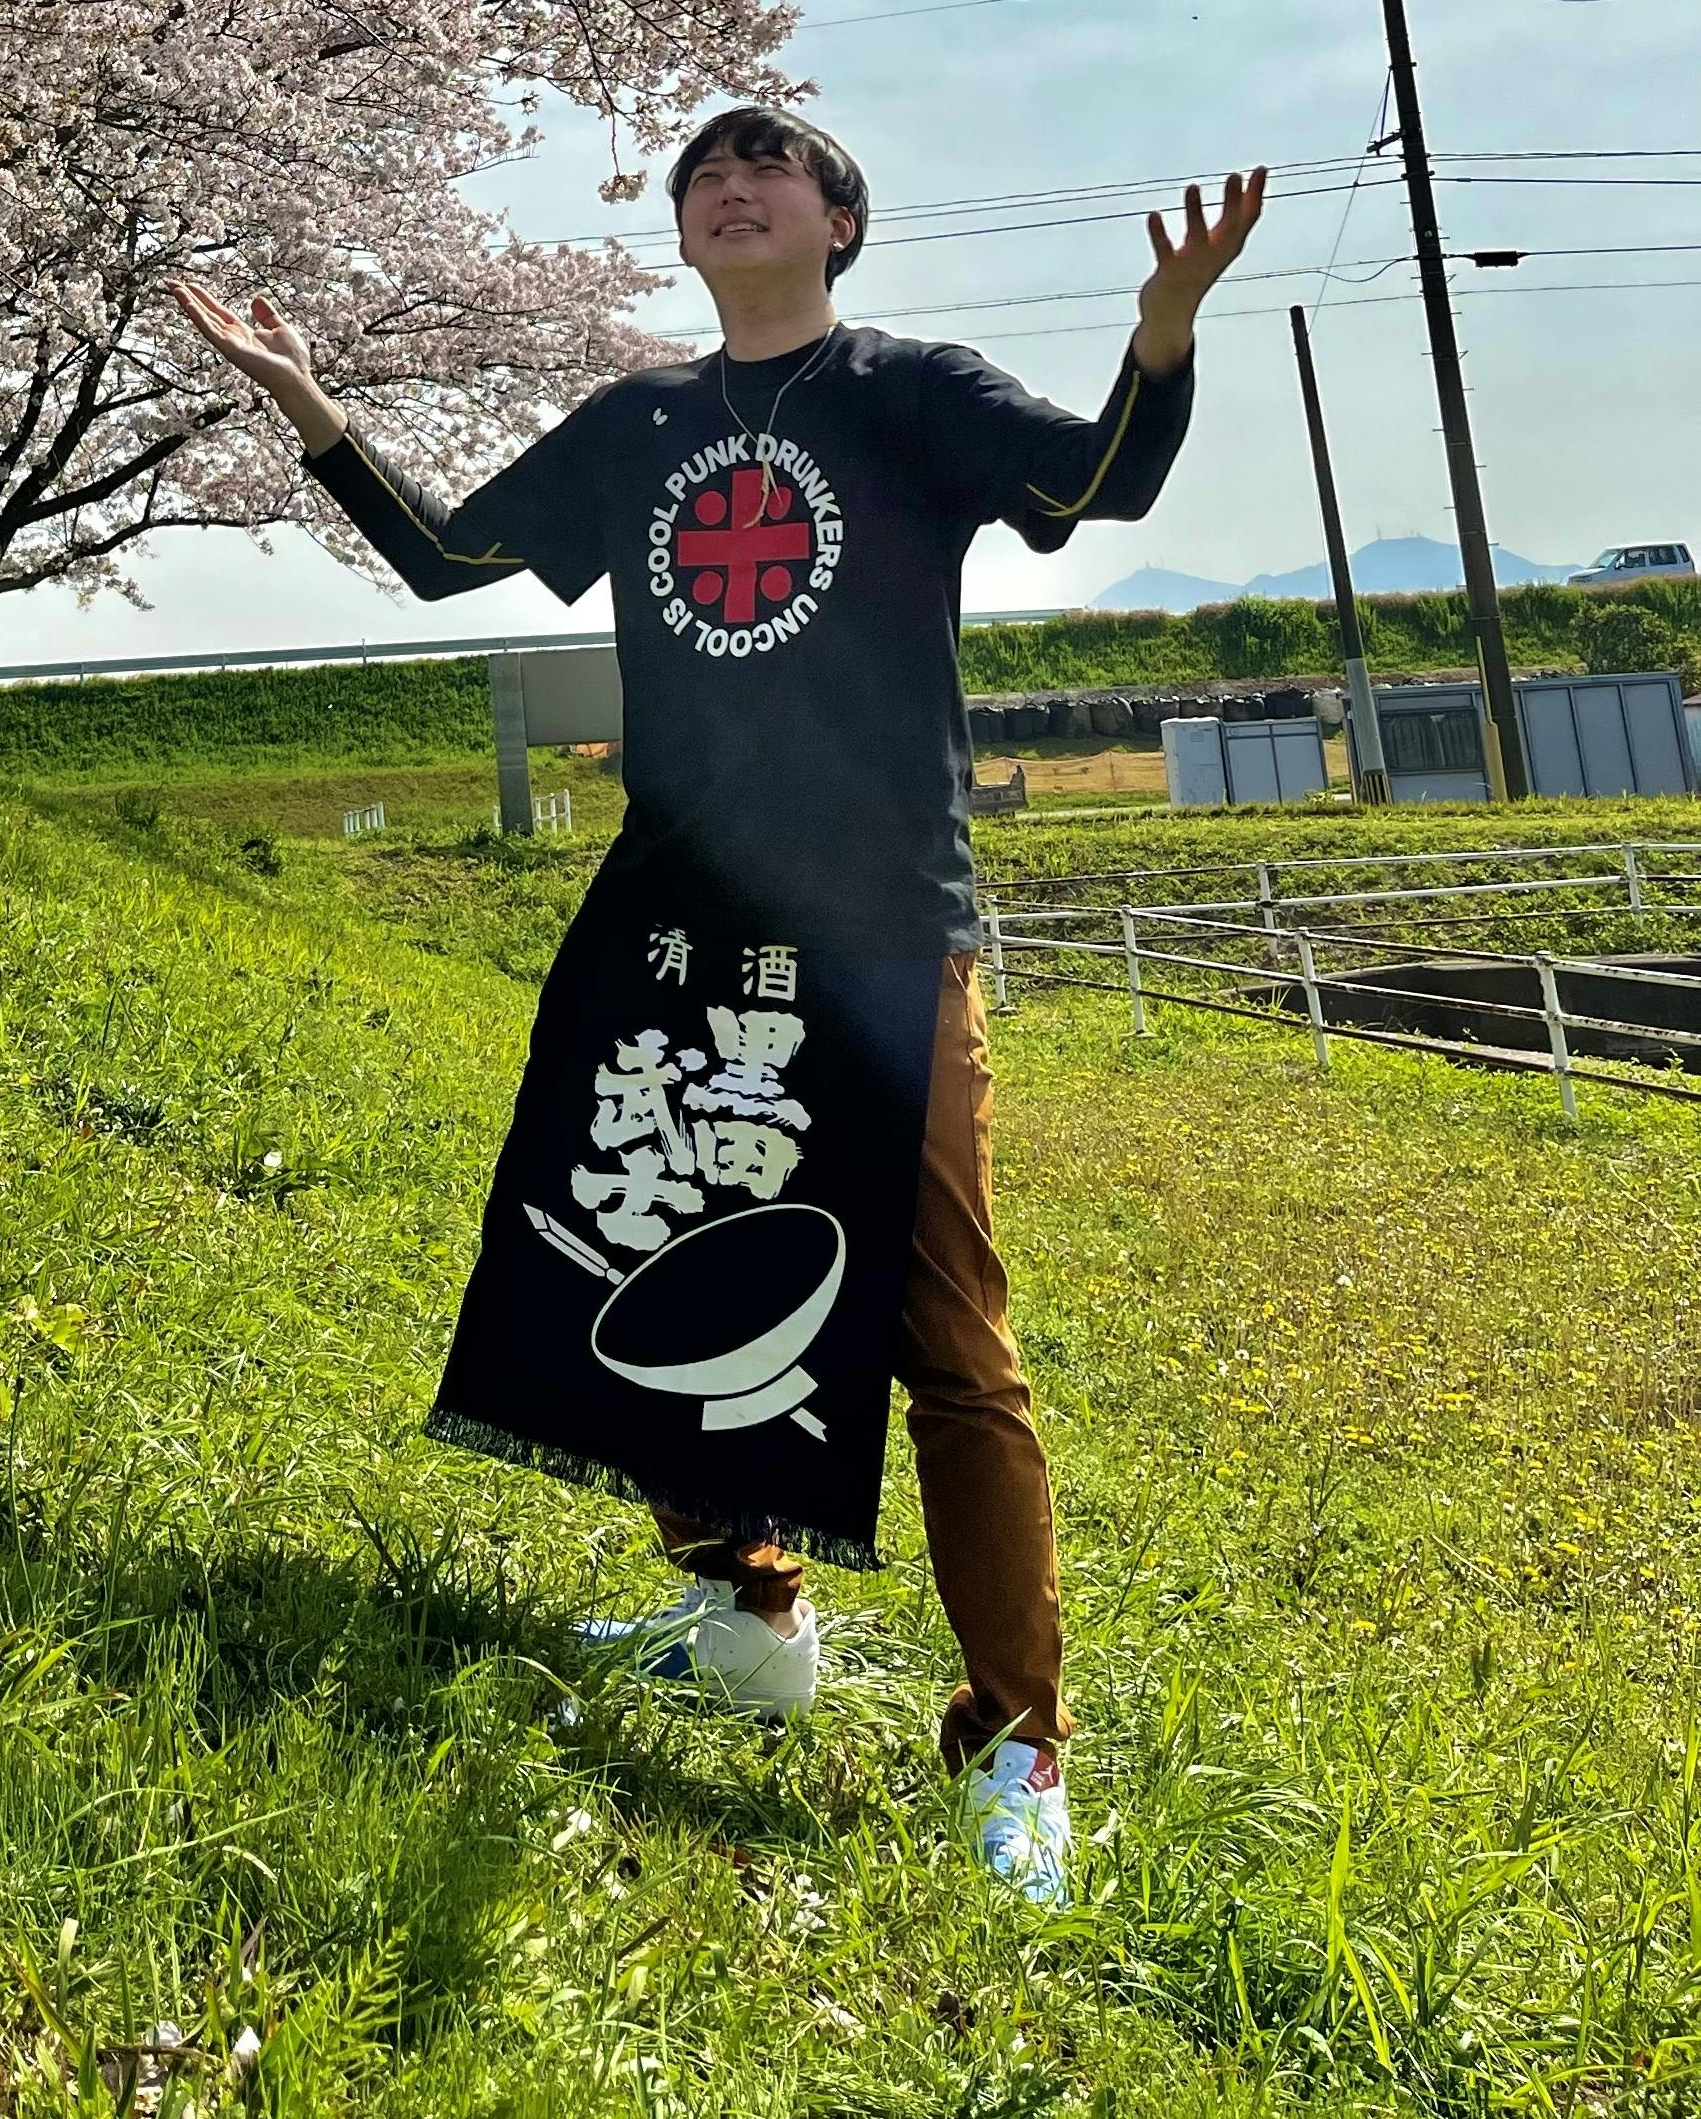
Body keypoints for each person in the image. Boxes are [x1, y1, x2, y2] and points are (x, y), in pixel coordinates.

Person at [174, 107, 1263, 1902]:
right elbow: (451, 559)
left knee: (949, 1338)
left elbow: (1093, 494)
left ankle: (1017, 1744)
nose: (731, 188)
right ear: (683, 233)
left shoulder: (910, 392)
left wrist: (1161, 341)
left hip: (882, 931)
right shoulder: (642, 425)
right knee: (642, 1261)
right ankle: (750, 1617)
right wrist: (314, 411)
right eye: (703, 176)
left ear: (841, 222)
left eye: (771, 169)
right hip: (678, 928)